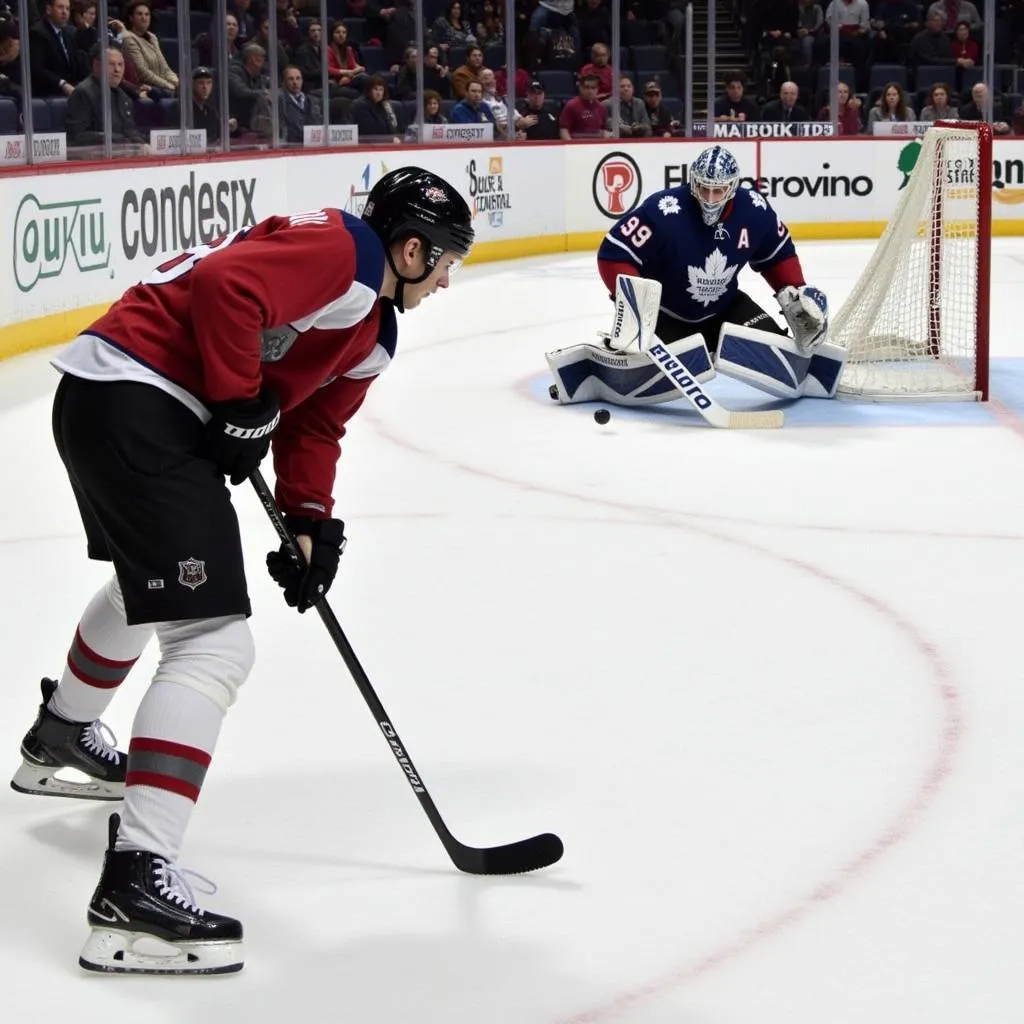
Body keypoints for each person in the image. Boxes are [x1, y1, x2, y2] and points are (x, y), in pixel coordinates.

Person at [10, 166, 473, 976]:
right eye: (445, 262)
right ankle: (136, 890)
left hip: (112, 396)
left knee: (146, 587)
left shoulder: (373, 330)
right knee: (214, 644)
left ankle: (63, 740)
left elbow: (315, 427)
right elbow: (228, 287)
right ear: (411, 247)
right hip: (140, 400)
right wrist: (236, 398)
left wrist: (310, 525)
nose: (446, 280)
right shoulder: (349, 251)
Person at [545, 145, 833, 409]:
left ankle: (807, 370)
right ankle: (608, 360)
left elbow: (778, 255)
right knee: (650, 356)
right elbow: (613, 254)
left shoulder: (755, 210)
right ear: (692, 181)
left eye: (717, 190)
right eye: (703, 188)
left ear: (732, 188)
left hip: (727, 308)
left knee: (777, 348)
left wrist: (795, 291)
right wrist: (633, 304)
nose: (709, 198)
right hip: (666, 315)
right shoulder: (663, 209)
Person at [66, 41, 146, 145]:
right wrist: (122, 140)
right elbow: (77, 136)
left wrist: (145, 142)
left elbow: (130, 131)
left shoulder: (123, 96)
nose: (117, 70)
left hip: (123, 155)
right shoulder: (83, 93)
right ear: (97, 65)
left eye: (120, 64)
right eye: (111, 64)